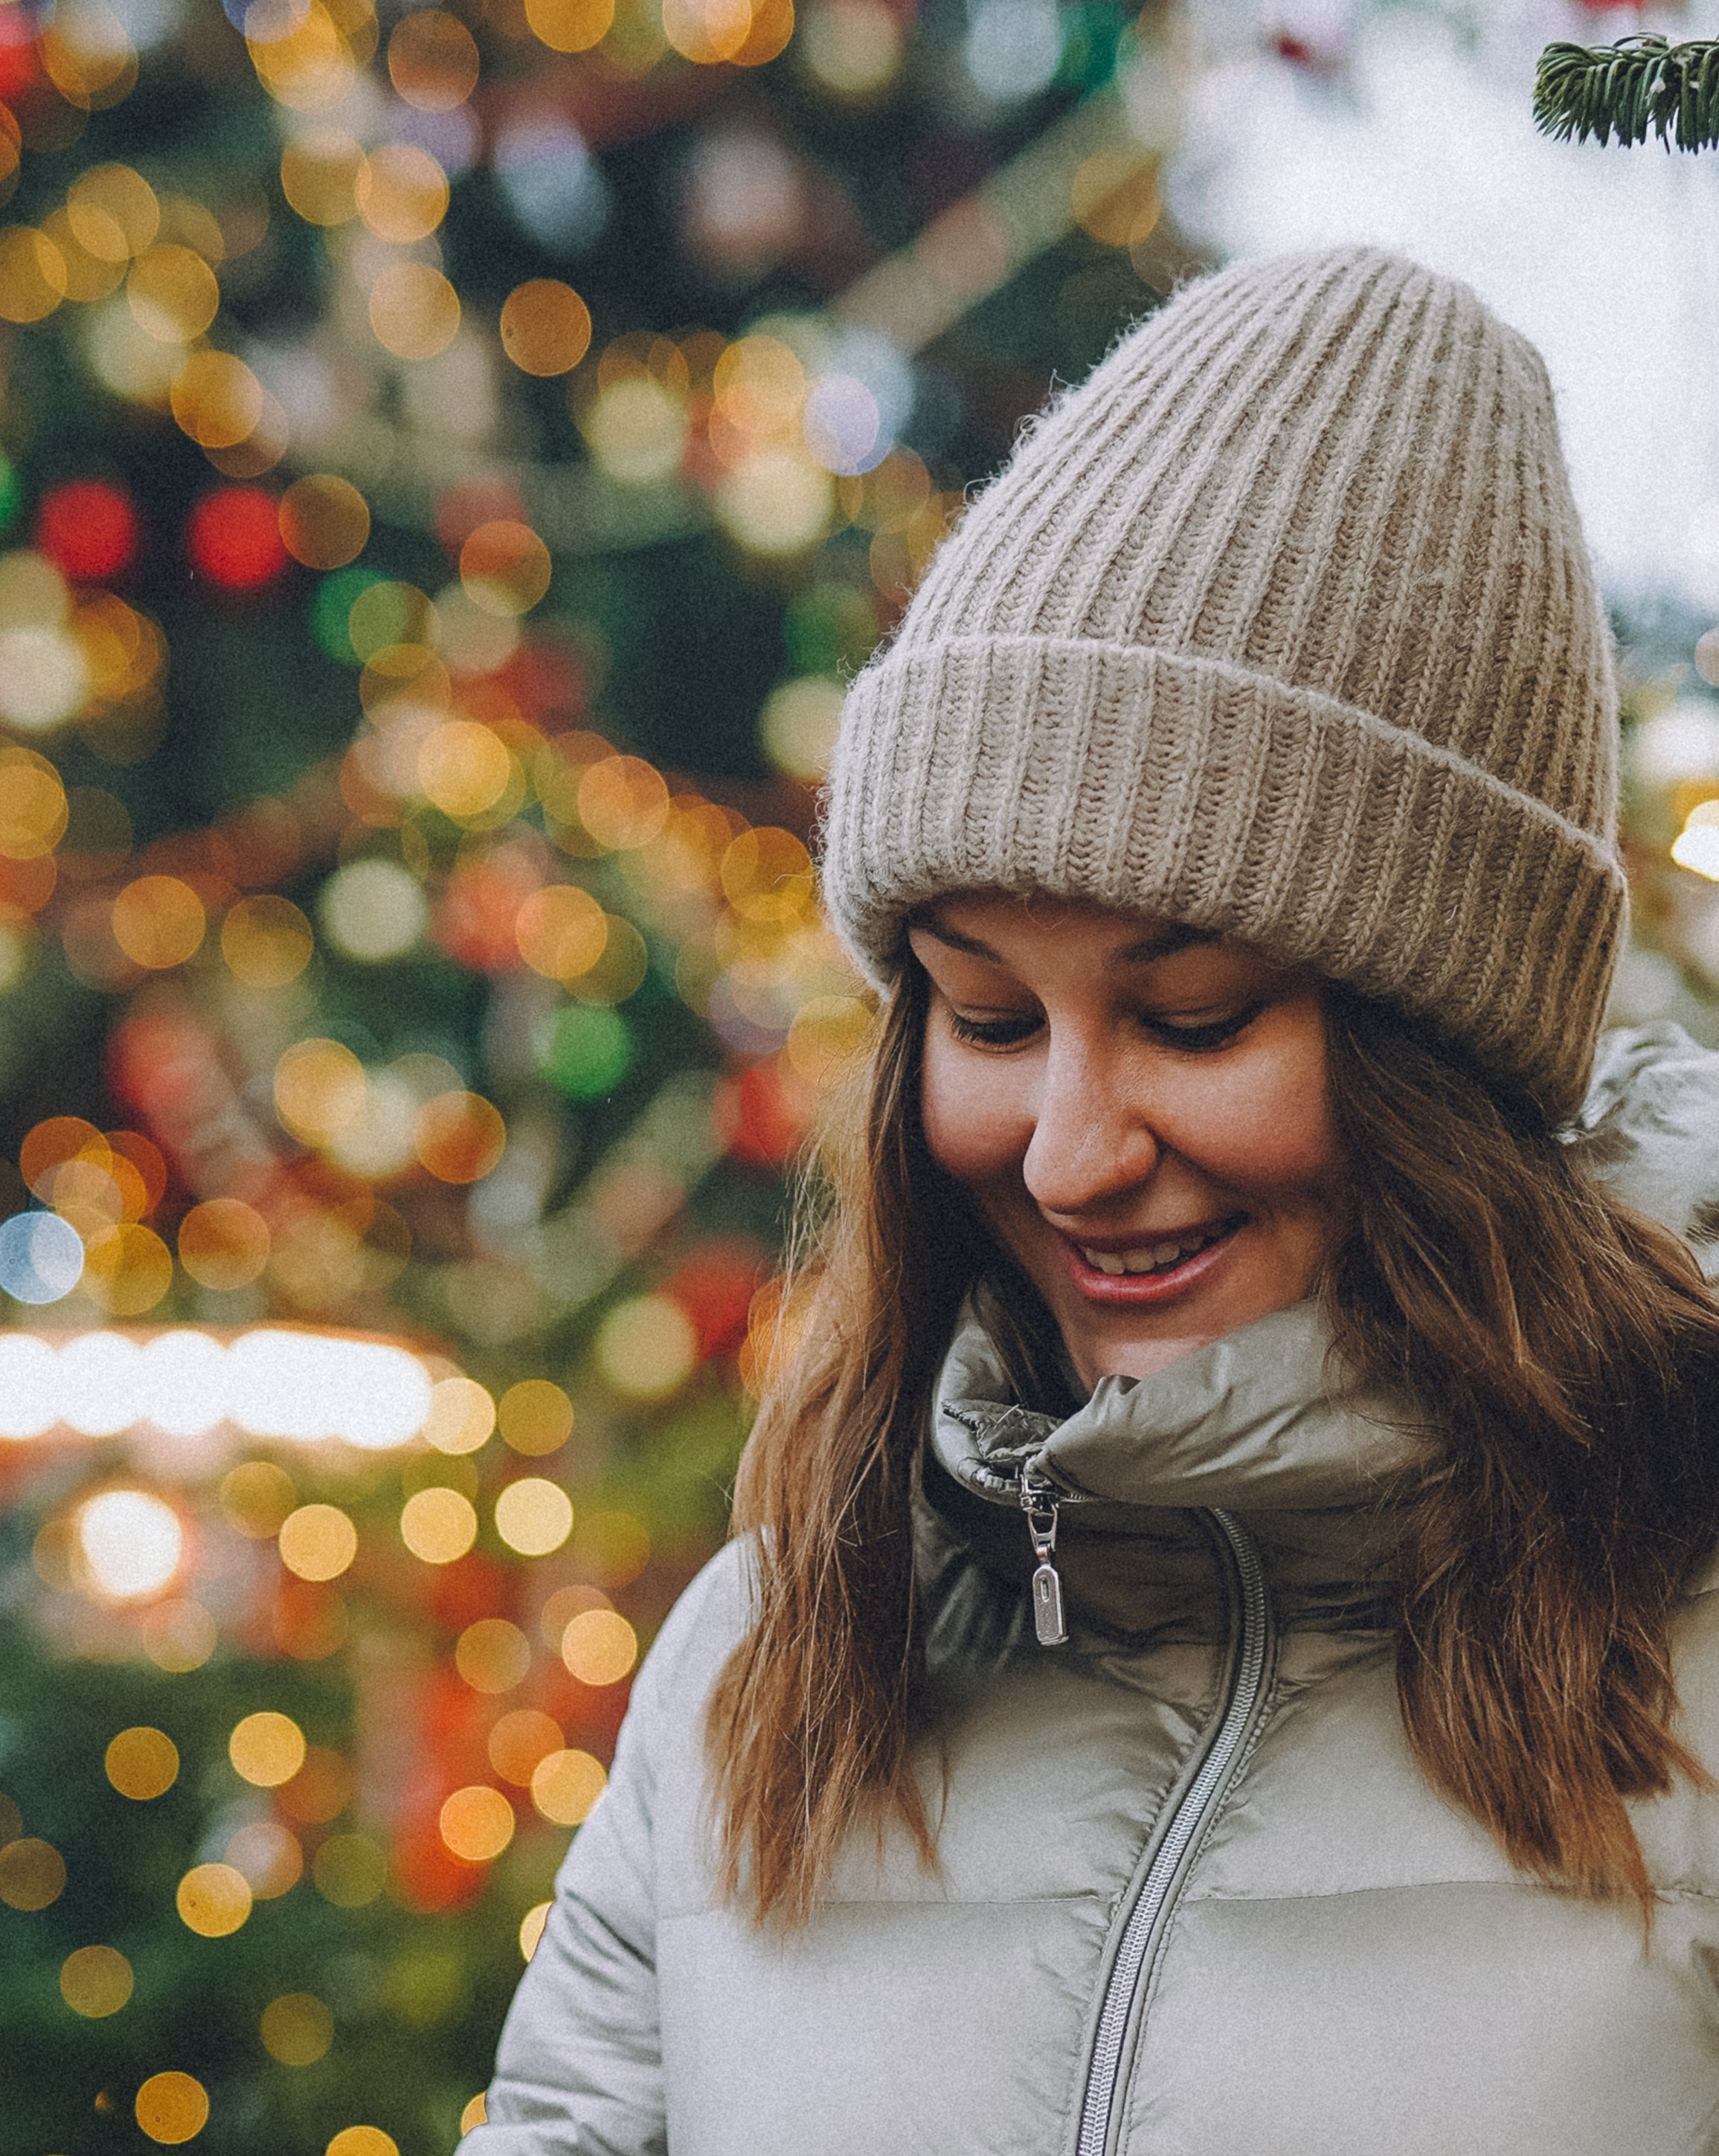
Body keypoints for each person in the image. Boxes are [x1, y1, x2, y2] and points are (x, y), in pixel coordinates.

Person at [474, 246, 1719, 2155]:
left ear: (1440, 1044)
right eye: (983, 1012)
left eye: (1194, 1015)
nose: (1066, 1151)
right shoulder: (773, 1652)